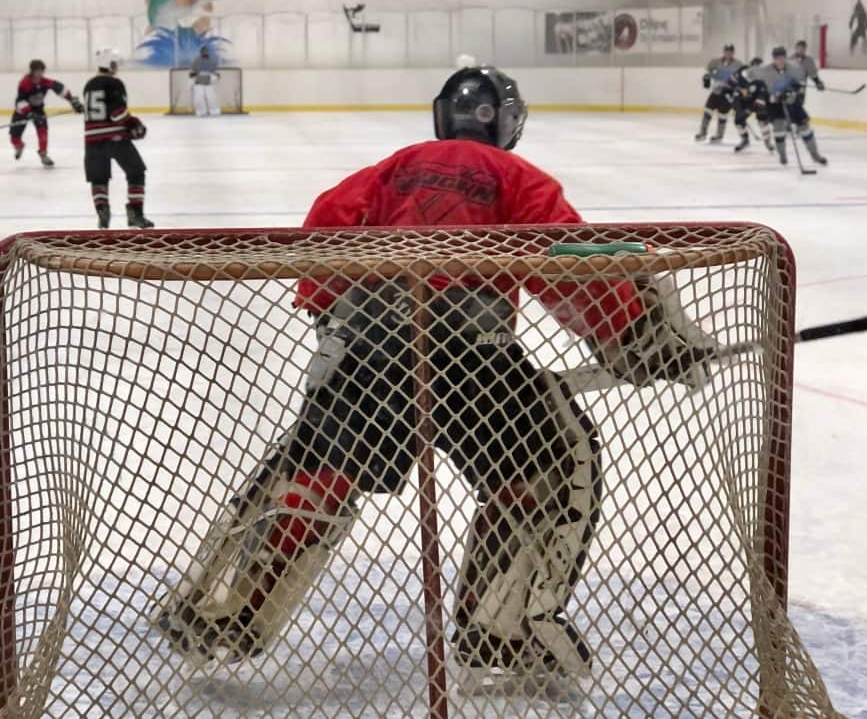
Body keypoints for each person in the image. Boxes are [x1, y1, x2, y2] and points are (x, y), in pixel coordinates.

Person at [153, 65, 716, 678]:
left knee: (316, 470)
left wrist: (330, 311)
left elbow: (327, 226)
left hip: (370, 348)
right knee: (547, 469)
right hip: (474, 357)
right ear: (507, 123)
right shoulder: (516, 175)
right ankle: (500, 633)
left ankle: (223, 609)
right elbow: (564, 263)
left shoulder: (395, 165)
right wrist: (633, 336)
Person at [81, 48, 153, 229]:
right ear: (108, 64)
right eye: (114, 64)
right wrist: (135, 125)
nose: (116, 68)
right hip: (114, 138)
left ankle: (102, 213)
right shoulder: (114, 83)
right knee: (136, 171)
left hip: (91, 141)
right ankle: (135, 214)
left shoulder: (88, 85)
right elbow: (117, 113)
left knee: (98, 178)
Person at [754, 46, 828, 167]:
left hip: (792, 101)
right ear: (774, 59)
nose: (780, 60)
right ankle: (782, 154)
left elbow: (798, 85)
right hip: (774, 104)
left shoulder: (794, 68)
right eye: (778, 58)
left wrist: (817, 82)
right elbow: (760, 88)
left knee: (804, 126)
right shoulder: (765, 72)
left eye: (782, 57)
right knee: (779, 128)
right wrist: (772, 97)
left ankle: (815, 154)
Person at [8, 59, 82, 168]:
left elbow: (61, 89)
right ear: (32, 71)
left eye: (41, 71)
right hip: (22, 112)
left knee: (43, 131)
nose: (40, 74)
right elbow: (20, 101)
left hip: (38, 110)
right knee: (14, 136)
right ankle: (19, 146)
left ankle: (43, 154)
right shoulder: (24, 83)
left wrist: (72, 101)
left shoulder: (45, 82)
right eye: (37, 71)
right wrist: (28, 113)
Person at [696, 44, 743, 143]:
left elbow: (742, 79)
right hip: (716, 92)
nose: (728, 53)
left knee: (722, 114)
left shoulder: (738, 64)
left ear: (733, 53)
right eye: (726, 51)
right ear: (724, 52)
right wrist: (707, 77)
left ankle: (719, 135)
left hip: (728, 94)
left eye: (730, 51)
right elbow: (708, 71)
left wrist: (736, 89)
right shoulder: (715, 62)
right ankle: (703, 133)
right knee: (707, 110)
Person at [731, 57, 774, 154]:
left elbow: (764, 94)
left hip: (758, 102)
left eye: (759, 67)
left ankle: (767, 141)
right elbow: (731, 83)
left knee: (762, 118)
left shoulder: (763, 80)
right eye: (756, 66)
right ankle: (745, 140)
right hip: (747, 102)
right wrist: (736, 105)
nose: (758, 69)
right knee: (738, 120)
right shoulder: (742, 72)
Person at [189, 45, 221, 117]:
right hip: (198, 82)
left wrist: (214, 77)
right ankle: (201, 111)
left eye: (206, 52)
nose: (205, 53)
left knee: (211, 97)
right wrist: (196, 76)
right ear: (201, 52)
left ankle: (214, 111)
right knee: (199, 97)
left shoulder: (213, 60)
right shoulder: (196, 60)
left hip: (209, 82)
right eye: (203, 52)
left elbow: (217, 73)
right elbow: (191, 73)